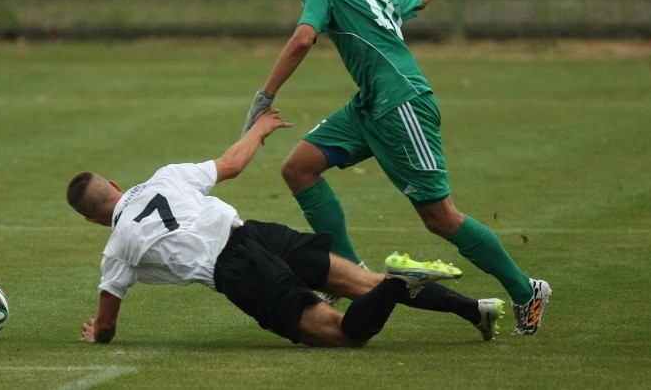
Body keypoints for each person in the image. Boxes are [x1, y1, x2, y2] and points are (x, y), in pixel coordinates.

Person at [240, 0, 550, 336]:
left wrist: (265, 96)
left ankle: (525, 290)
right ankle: (348, 274)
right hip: (371, 104)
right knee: (299, 168)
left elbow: (304, 37)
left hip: (402, 104)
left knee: (440, 217)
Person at [67, 109, 505, 347]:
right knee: (362, 283)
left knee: (343, 332)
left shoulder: (118, 248)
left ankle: (395, 282)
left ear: (91, 219)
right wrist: (259, 128)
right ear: (116, 185)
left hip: (238, 269)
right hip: (259, 233)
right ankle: (475, 309)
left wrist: (95, 335)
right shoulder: (166, 176)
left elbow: (106, 327)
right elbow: (233, 163)